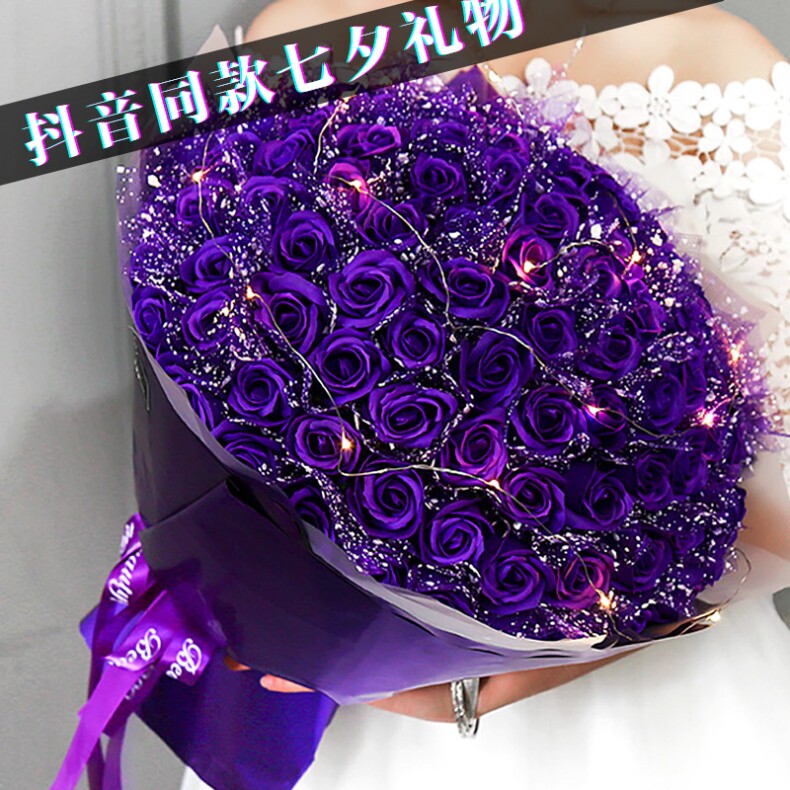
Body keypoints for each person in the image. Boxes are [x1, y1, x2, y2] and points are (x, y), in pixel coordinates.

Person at [184, 2, 790, 787]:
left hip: (656, 711)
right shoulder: (301, 30)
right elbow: (213, 355)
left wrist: (550, 654)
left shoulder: (714, 65)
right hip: (347, 689)